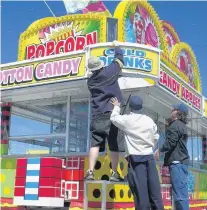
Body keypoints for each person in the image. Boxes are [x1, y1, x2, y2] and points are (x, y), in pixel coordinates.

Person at [110, 96, 164, 210]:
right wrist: (151, 145)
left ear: (130, 107)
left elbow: (114, 118)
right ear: (141, 106)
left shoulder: (127, 120)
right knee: (155, 193)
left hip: (135, 160)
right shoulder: (149, 120)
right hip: (149, 158)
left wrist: (116, 107)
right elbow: (156, 136)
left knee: (141, 194)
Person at [84, 41, 125, 182]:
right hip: (111, 114)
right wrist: (116, 46)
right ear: (101, 65)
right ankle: (114, 173)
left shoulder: (90, 82)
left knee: (95, 144)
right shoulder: (109, 72)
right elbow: (120, 60)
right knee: (113, 144)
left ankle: (90, 172)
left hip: (97, 116)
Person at [155, 103, 189, 210]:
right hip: (181, 163)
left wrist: (159, 150)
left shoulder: (175, 125)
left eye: (174, 109)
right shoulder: (182, 125)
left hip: (177, 163)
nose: (171, 110)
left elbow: (171, 142)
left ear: (178, 113)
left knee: (179, 196)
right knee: (181, 194)